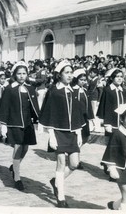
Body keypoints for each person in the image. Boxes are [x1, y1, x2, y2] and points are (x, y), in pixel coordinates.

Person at [39, 60, 85, 208]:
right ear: (59, 75)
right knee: (61, 163)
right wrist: (51, 135)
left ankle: (56, 182)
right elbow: (49, 114)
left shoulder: (73, 91)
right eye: (67, 72)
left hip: (72, 133)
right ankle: (61, 198)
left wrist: (78, 134)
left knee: (74, 164)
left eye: (71, 72)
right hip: (58, 132)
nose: (70, 75)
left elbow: (77, 114)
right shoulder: (54, 92)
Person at [0, 61, 40, 191]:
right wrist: (2, 125)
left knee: (25, 148)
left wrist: (37, 119)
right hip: (14, 122)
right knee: (18, 147)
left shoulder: (30, 88)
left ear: (27, 74)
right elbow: (4, 107)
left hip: (27, 123)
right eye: (19, 74)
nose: (22, 76)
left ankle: (14, 166)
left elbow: (34, 105)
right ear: (15, 75)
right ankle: (17, 177)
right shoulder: (10, 89)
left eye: (24, 73)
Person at [96, 68, 126, 137]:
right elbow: (105, 107)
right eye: (117, 76)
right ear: (112, 78)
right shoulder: (108, 90)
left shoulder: (123, 91)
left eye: (121, 77)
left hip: (122, 123)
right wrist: (107, 123)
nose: (119, 79)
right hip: (111, 123)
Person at [72, 68, 94, 169]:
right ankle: (77, 160)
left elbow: (88, 105)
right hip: (76, 118)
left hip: (84, 118)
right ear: (76, 79)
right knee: (78, 139)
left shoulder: (84, 90)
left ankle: (75, 155)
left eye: (85, 80)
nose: (83, 82)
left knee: (85, 138)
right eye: (81, 80)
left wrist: (91, 118)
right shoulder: (73, 90)